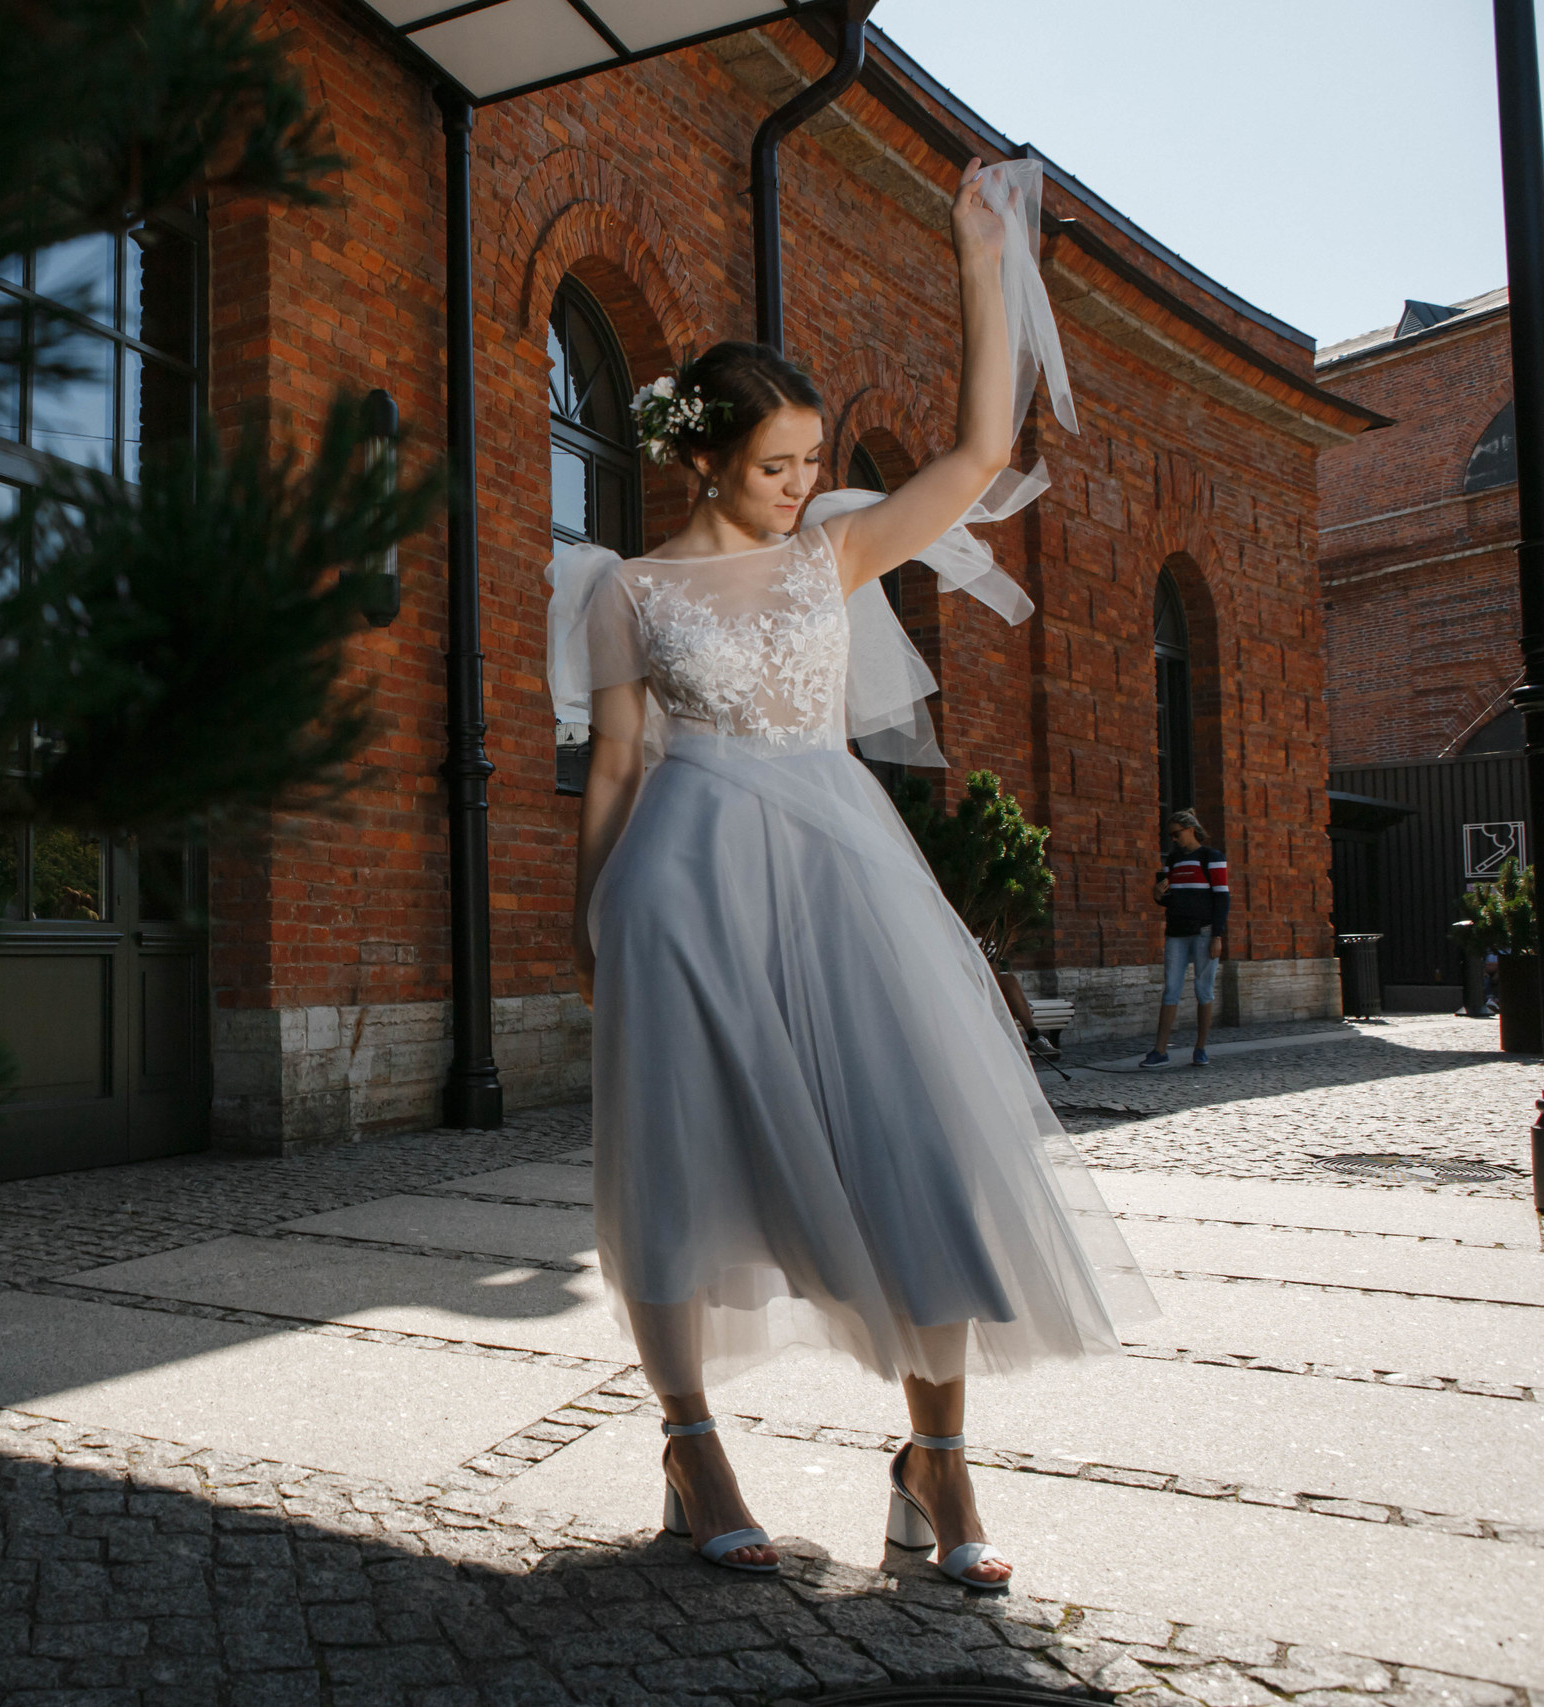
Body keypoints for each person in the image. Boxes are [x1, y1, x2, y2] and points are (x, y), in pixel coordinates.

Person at [550, 157, 1155, 1593]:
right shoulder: (627, 591)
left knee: (924, 1147)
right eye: (777, 465)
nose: (804, 484)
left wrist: (978, 261)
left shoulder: (833, 553)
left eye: (813, 460)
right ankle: (693, 1438)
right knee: (678, 1164)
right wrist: (592, 917)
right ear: (704, 460)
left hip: (840, 874)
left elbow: (975, 453)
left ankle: (936, 1455)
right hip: (679, 884)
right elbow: (620, 765)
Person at [1142, 810, 1229, 1068]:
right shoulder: (1174, 860)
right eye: (1171, 836)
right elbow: (1171, 899)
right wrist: (1158, 895)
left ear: (1191, 829)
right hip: (1176, 932)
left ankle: (1200, 1048)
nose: (1175, 839)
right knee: (1171, 989)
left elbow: (1222, 898)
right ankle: (1160, 1050)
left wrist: (1217, 935)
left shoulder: (1211, 857)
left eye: (1177, 833)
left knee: (1204, 989)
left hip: (1203, 931)